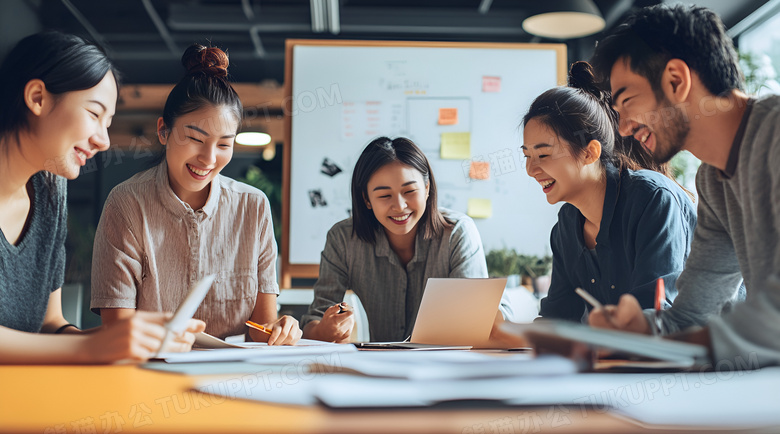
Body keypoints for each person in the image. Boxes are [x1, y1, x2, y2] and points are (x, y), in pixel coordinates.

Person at [588, 4, 780, 367]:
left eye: (627, 101)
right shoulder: (713, 181)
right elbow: (691, 316)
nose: (624, 128)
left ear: (677, 80)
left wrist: (670, 344)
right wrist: (638, 329)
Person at [0, 31, 204, 364]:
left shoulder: (49, 191)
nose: (104, 141)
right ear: (38, 97)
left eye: (108, 123)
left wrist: (131, 337)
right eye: (94, 115)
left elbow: (49, 326)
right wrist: (88, 348)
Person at [90, 44, 301, 345]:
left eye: (224, 145)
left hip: (230, 377)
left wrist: (281, 329)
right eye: (194, 138)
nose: (208, 158)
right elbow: (118, 332)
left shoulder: (252, 207)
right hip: (151, 375)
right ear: (164, 131)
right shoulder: (126, 204)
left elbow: (260, 328)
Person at [522, 62, 696, 323]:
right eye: (527, 156)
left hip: (712, 354)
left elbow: (653, 315)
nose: (531, 169)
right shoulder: (566, 227)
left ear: (590, 152)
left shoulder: (652, 199)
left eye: (543, 154)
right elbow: (557, 319)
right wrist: (508, 333)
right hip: (626, 358)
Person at [301, 136, 512, 343]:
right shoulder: (343, 239)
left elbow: (480, 323)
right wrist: (325, 331)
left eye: (410, 191)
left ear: (427, 188)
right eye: (384, 196)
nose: (400, 206)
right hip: (379, 369)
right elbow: (315, 320)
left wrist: (487, 314)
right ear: (366, 199)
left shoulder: (457, 233)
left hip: (446, 366)